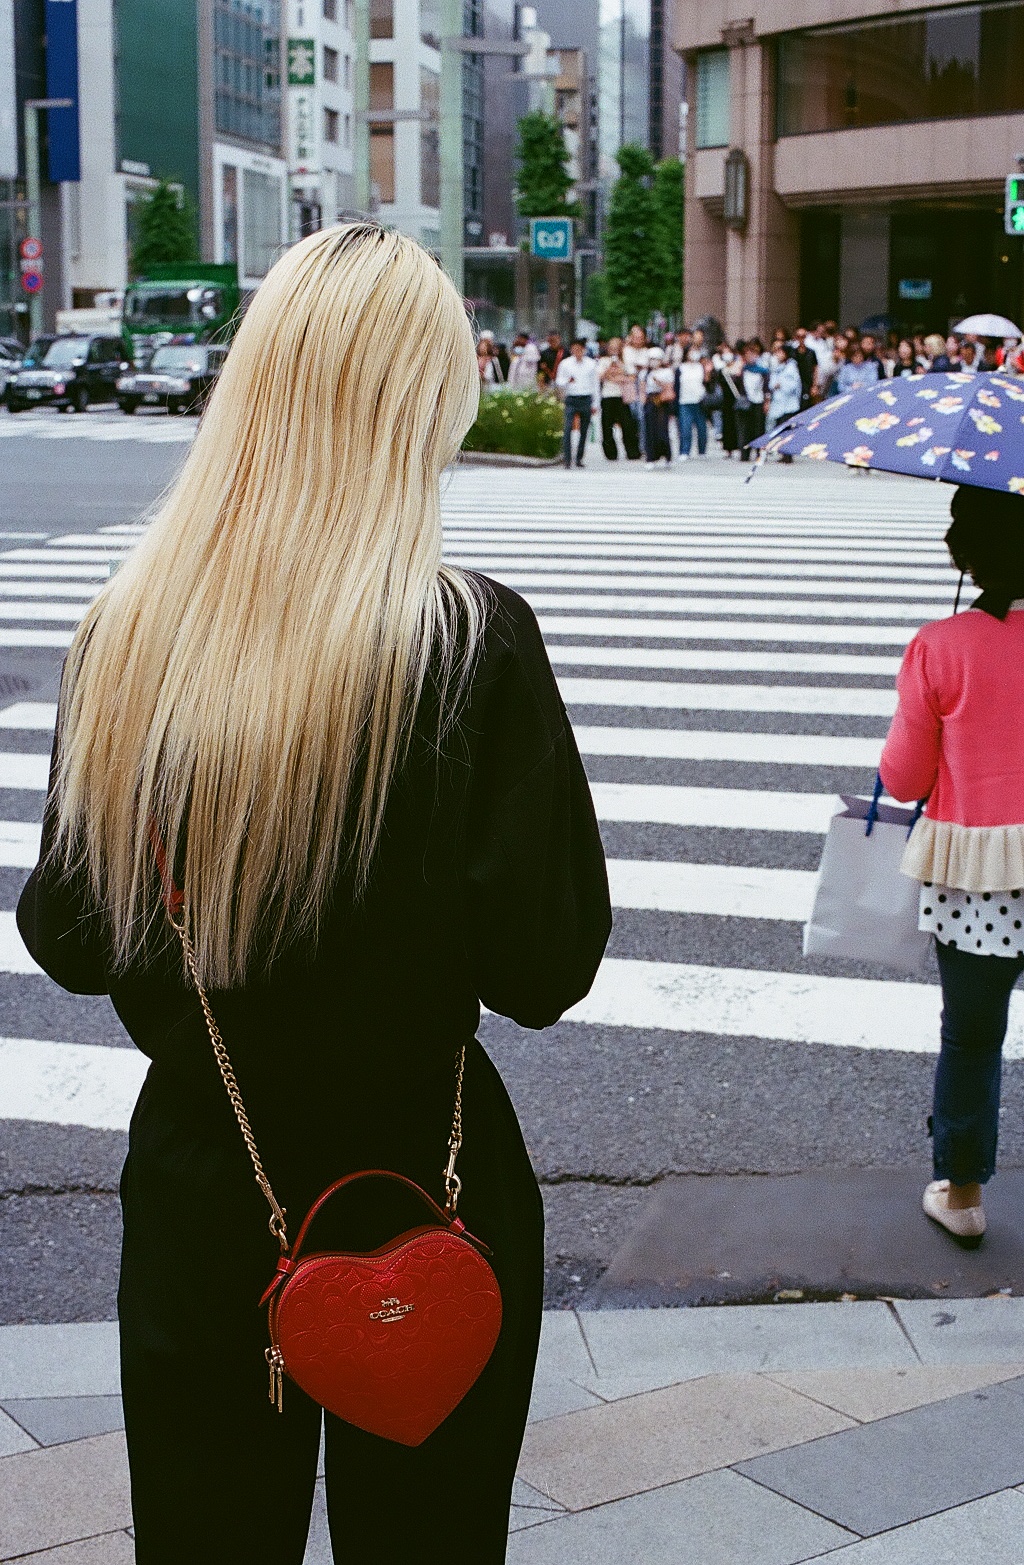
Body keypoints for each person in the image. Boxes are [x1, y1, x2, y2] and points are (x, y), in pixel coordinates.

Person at [16, 222, 611, 1563]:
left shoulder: (129, 637)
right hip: (430, 1181)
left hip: (210, 1180)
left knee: (204, 1535)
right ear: (417, 405)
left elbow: (71, 933)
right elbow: (545, 964)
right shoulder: (470, 642)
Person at [880, 485, 1024, 1243]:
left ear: (966, 555)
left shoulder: (942, 646)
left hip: (979, 880)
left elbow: (904, 778)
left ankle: (962, 1194)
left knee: (972, 1035)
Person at [555, 337, 599, 468]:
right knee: (568, 428)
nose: (577, 352)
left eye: (580, 349)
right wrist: (567, 381)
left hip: (585, 398)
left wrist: (595, 404)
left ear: (584, 350)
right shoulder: (565, 364)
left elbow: (595, 384)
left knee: (584, 430)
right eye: (575, 349)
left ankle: (579, 457)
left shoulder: (591, 364)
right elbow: (559, 381)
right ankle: (567, 458)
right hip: (571, 398)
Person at [597, 337, 640, 460]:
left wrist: (619, 375)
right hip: (608, 395)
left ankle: (632, 451)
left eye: (617, 348)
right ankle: (610, 453)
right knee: (607, 425)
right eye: (612, 348)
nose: (614, 351)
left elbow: (632, 376)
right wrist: (609, 369)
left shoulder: (625, 361)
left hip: (622, 396)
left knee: (628, 424)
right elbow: (600, 376)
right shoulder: (604, 361)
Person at [766, 343, 802, 462]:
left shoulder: (791, 367)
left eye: (780, 352)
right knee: (779, 429)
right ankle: (782, 452)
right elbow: (771, 383)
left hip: (789, 403)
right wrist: (774, 385)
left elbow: (794, 385)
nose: (778, 355)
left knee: (787, 430)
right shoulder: (777, 366)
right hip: (778, 402)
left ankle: (788, 455)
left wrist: (781, 385)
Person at [641, 346, 674, 466]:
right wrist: (643, 401)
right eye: (651, 359)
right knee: (650, 430)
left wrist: (658, 382)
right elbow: (642, 388)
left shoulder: (667, 372)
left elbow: (669, 387)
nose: (654, 362)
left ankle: (667, 456)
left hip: (662, 400)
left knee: (662, 429)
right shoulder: (645, 373)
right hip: (650, 401)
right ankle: (651, 457)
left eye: (656, 359)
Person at [735, 342, 768, 459]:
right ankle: (745, 453)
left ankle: (760, 453)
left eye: (753, 354)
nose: (751, 357)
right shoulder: (742, 370)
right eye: (748, 354)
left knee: (759, 429)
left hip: (758, 401)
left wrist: (766, 401)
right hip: (746, 403)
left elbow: (766, 388)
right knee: (745, 429)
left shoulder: (763, 371)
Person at [621, 325, 649, 457]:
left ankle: (644, 446)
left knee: (642, 416)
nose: (638, 340)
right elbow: (628, 367)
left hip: (643, 384)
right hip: (629, 385)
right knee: (632, 416)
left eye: (640, 338)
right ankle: (633, 448)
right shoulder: (626, 350)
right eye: (635, 337)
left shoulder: (647, 351)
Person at [676, 348, 709, 460]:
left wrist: (708, 371)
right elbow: (677, 385)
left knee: (702, 428)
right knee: (685, 428)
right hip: (685, 401)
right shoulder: (681, 368)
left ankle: (702, 450)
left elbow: (706, 381)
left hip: (699, 401)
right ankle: (684, 450)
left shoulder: (701, 367)